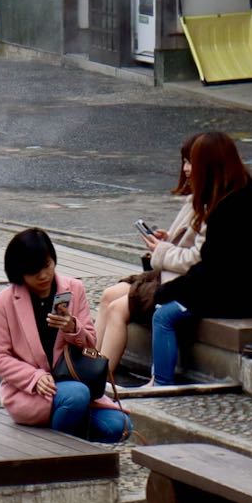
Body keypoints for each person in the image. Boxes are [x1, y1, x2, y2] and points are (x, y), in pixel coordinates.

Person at [148, 132, 252, 386]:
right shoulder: (242, 194)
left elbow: (212, 269)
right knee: (165, 303)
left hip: (247, 294)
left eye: (194, 163)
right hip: (245, 288)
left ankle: (161, 384)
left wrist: (169, 290)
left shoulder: (231, 206)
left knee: (163, 315)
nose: (188, 170)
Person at [0, 227, 129, 443]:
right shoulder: (6, 301)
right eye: (34, 272)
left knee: (118, 426)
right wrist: (33, 377)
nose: (43, 276)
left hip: (72, 379)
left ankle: (64, 426)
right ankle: (55, 450)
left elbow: (91, 344)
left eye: (47, 266)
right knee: (77, 395)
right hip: (32, 393)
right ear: (20, 272)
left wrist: (73, 327)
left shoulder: (74, 288)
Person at [97, 135, 204, 376]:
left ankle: (100, 377)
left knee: (117, 309)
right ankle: (90, 364)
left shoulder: (212, 205)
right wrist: (167, 241)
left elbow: (198, 259)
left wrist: (163, 250)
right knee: (107, 296)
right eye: (184, 161)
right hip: (167, 273)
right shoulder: (194, 199)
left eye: (191, 162)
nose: (186, 169)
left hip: (180, 282)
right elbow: (186, 247)